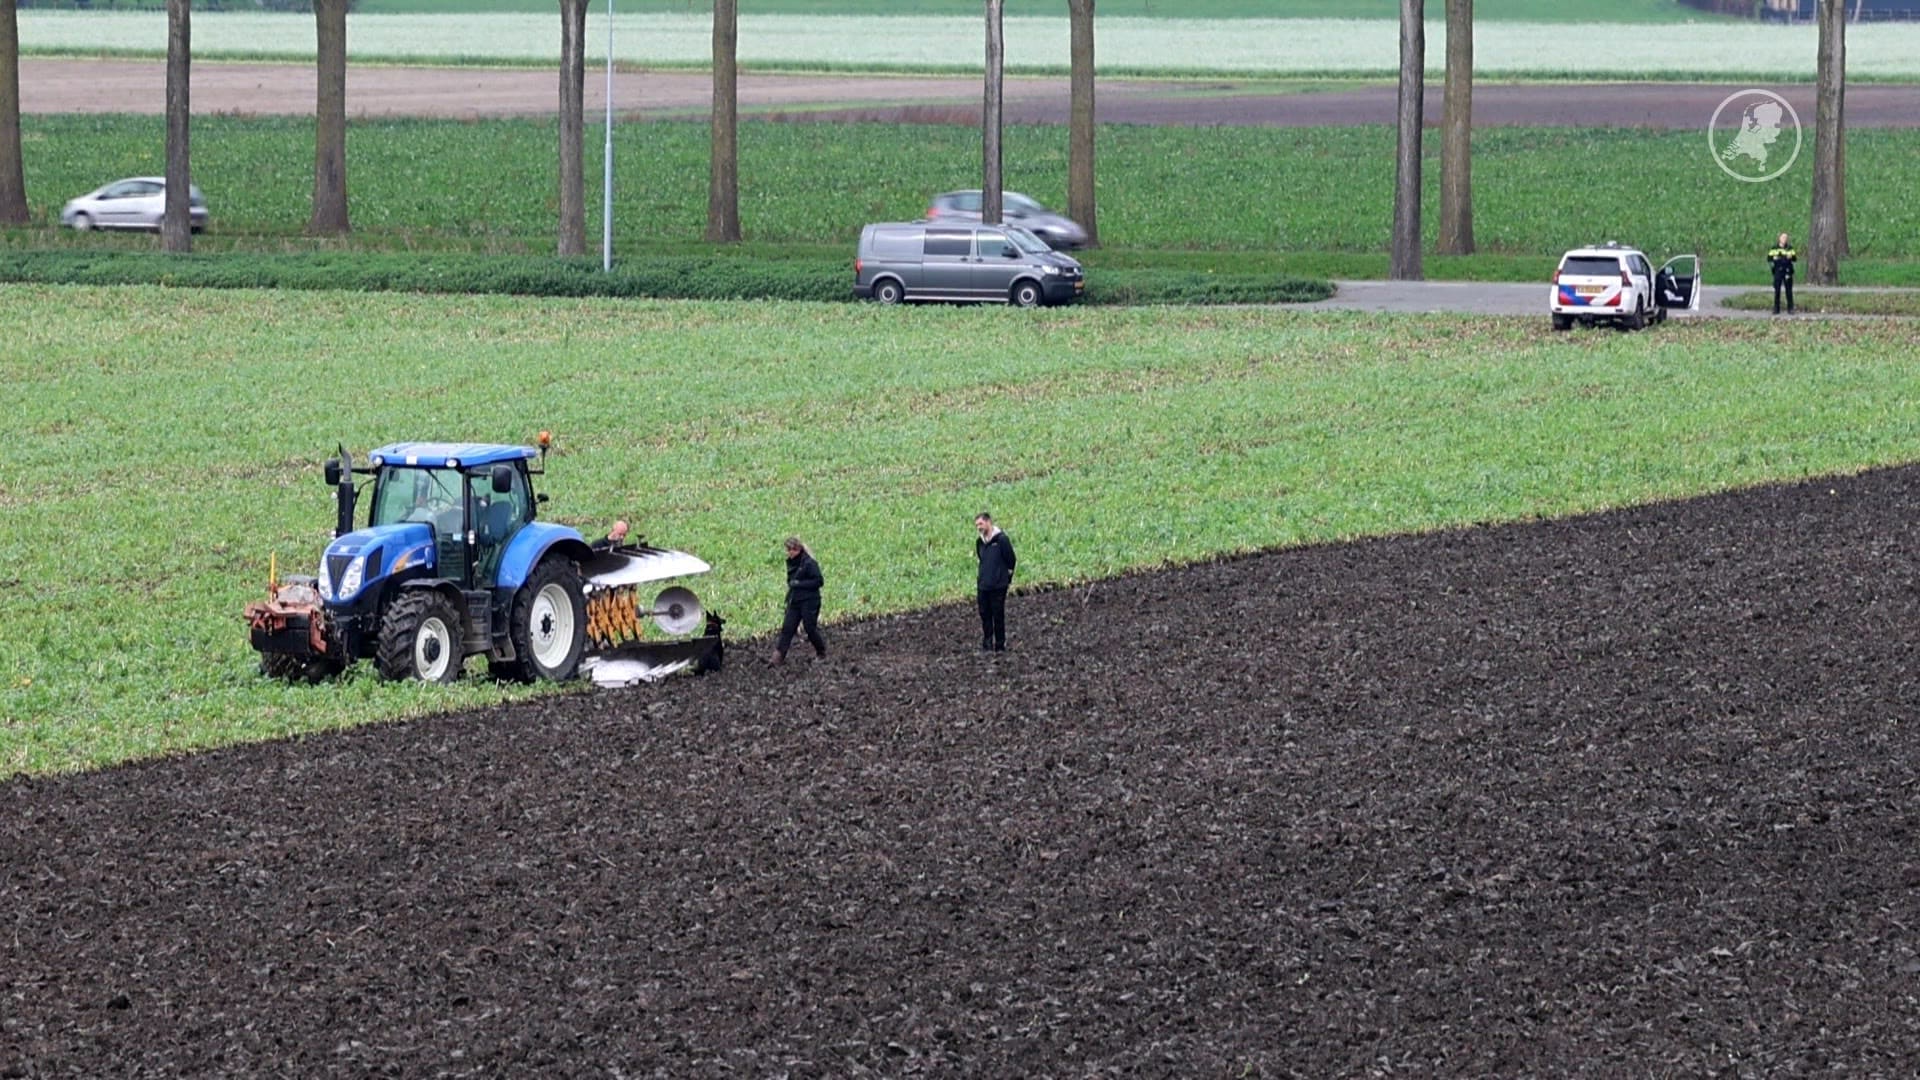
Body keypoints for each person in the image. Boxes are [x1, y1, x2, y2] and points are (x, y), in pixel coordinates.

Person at [772, 536, 826, 664]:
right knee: (787, 628)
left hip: (810, 601)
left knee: (810, 628)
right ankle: (778, 657)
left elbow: (819, 581)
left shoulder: (809, 563)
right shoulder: (792, 563)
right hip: (795, 601)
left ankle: (821, 652)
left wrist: (799, 584)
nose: (790, 552)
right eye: (788, 549)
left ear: (799, 549)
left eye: (792, 549)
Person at [974, 512, 1016, 652]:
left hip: (998, 586)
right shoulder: (979, 542)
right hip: (983, 585)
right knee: (984, 614)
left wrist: (1005, 578)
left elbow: (1011, 560)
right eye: (977, 525)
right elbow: (982, 559)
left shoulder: (1002, 540)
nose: (978, 527)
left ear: (988, 522)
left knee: (998, 615)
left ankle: (999, 644)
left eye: (980, 524)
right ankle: (987, 643)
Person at [1768, 232, 1796, 315]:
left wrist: (1791, 257)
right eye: (1783, 238)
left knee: (1789, 291)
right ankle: (1776, 308)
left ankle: (1790, 308)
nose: (1784, 239)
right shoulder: (1774, 248)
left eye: (1786, 238)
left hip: (1787, 271)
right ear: (1779, 238)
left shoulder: (1790, 248)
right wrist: (1775, 258)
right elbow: (1769, 258)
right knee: (1777, 290)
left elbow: (1794, 258)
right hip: (1778, 271)